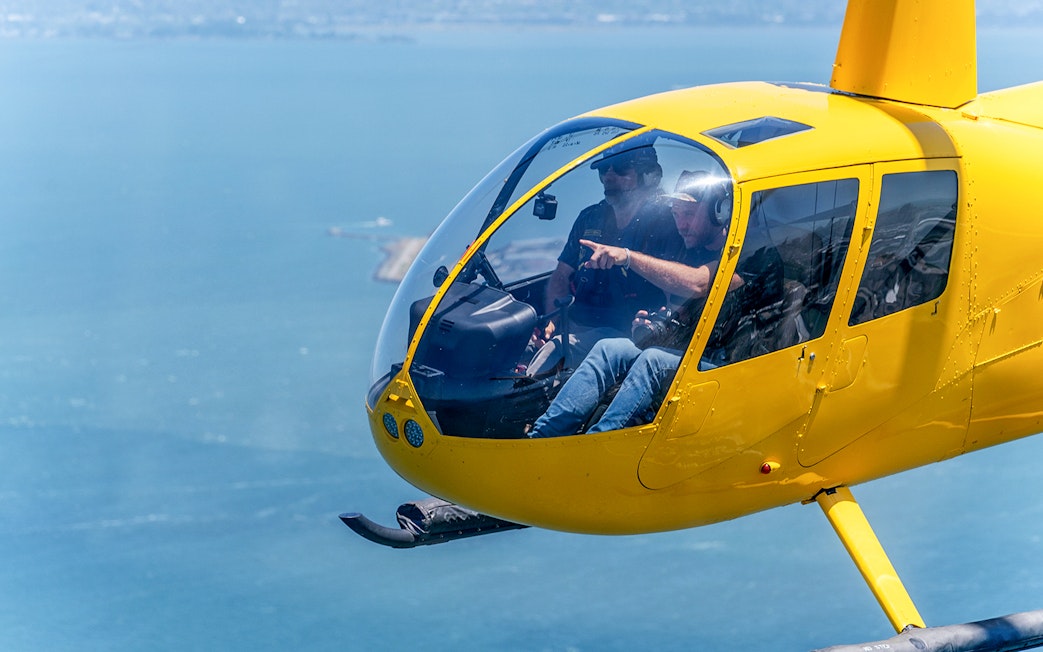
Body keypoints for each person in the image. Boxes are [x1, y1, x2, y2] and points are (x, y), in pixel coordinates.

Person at [527, 171, 783, 438]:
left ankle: (599, 441)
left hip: (736, 366)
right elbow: (685, 308)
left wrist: (626, 257)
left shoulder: (753, 252)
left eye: (689, 213)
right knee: (608, 348)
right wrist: (653, 320)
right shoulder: (688, 250)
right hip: (690, 354)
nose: (680, 223)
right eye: (676, 213)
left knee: (653, 360)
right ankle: (542, 436)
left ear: (720, 212)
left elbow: (697, 284)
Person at [526, 142, 680, 376]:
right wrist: (552, 322)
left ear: (647, 176)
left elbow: (677, 287)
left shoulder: (666, 224)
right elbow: (561, 276)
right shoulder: (590, 218)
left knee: (554, 351)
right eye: (603, 169)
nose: (609, 175)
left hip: (625, 333)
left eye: (620, 168)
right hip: (577, 325)